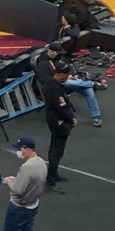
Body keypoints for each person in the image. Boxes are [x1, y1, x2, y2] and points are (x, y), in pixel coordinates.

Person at [35, 41, 105, 127]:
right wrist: (66, 77)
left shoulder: (59, 57)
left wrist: (73, 74)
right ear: (52, 52)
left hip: (70, 81)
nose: (59, 55)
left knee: (89, 91)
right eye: (57, 53)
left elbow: (69, 66)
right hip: (57, 85)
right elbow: (48, 80)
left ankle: (96, 116)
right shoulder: (43, 63)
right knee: (71, 82)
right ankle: (91, 83)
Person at [2, 137, 47, 231]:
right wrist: (17, 180)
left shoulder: (27, 167)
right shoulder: (41, 162)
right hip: (33, 205)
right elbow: (32, 182)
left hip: (19, 207)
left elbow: (18, 190)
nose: (18, 151)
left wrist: (9, 181)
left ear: (27, 149)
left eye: (19, 149)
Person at [42, 61, 76, 193]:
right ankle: (50, 180)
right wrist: (71, 118)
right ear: (61, 74)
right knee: (56, 152)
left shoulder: (53, 84)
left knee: (55, 150)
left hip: (56, 121)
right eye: (67, 74)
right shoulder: (54, 89)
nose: (68, 77)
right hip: (58, 123)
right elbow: (61, 108)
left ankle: (53, 174)